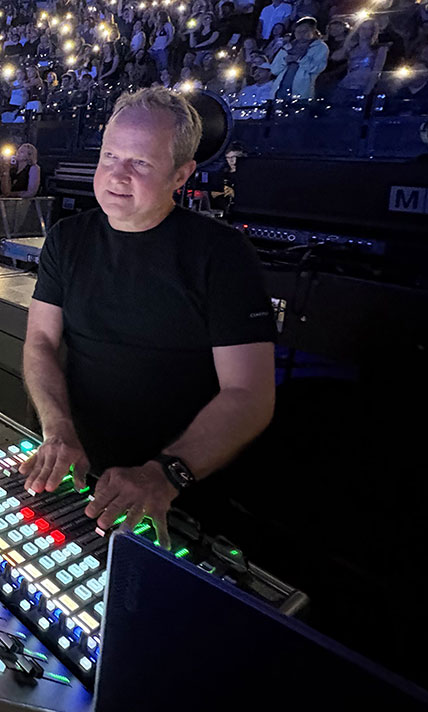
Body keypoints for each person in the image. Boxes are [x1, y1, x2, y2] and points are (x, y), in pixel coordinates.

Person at [21, 87, 276, 547]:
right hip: (80, 469)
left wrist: (167, 472)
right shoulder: (66, 238)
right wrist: (58, 429)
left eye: (140, 163)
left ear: (181, 174)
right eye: (110, 156)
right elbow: (39, 340)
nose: (116, 175)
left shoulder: (222, 255)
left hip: (181, 488)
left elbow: (251, 394)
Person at [269, 16, 329, 100]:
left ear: (313, 31)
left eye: (305, 31)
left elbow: (317, 68)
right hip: (280, 92)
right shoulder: (287, 47)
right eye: (298, 31)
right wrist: (284, 61)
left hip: (302, 93)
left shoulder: (320, 47)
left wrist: (299, 59)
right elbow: (274, 70)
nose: (301, 34)